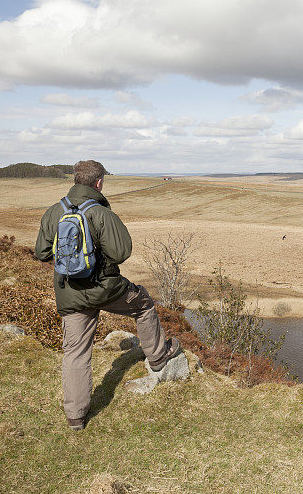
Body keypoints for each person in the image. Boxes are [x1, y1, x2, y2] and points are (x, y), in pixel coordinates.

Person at [34, 160, 180, 431]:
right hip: (105, 289)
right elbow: (121, 252)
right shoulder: (101, 213)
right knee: (144, 304)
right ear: (98, 182)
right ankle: (158, 356)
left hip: (69, 293)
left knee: (76, 352)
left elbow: (41, 253)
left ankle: (76, 418)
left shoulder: (54, 212)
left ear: (76, 179)